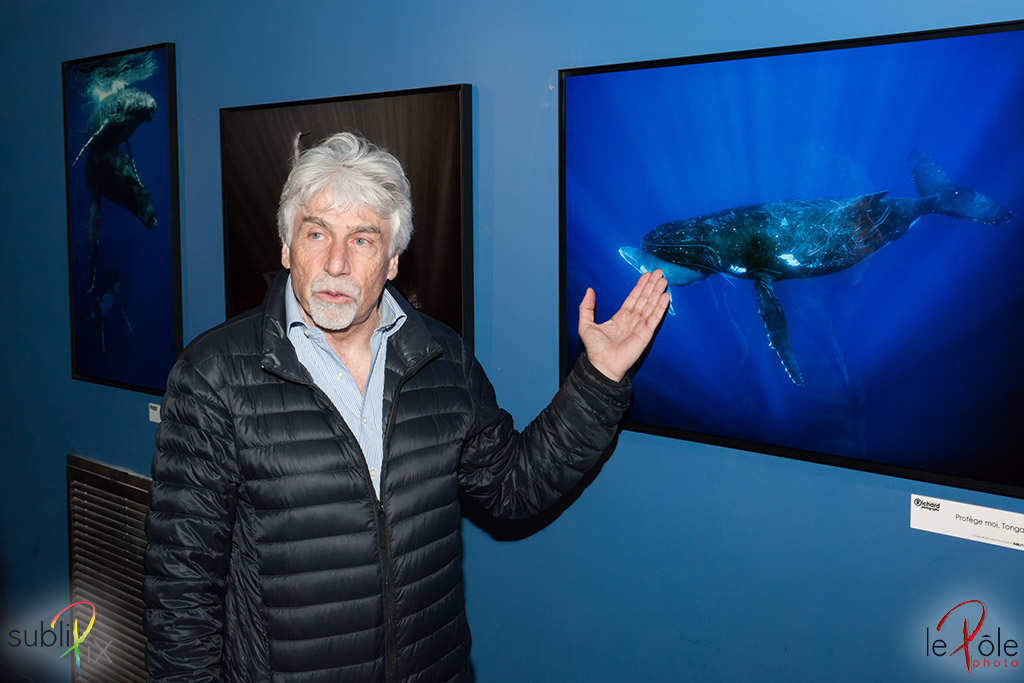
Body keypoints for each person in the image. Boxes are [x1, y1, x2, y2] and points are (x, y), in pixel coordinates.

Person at [143, 132, 669, 683]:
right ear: (286, 247)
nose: (337, 263)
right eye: (317, 233)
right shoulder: (213, 375)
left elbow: (516, 485)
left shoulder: (442, 360)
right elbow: (180, 590)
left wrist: (601, 376)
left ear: (392, 260)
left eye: (363, 240)